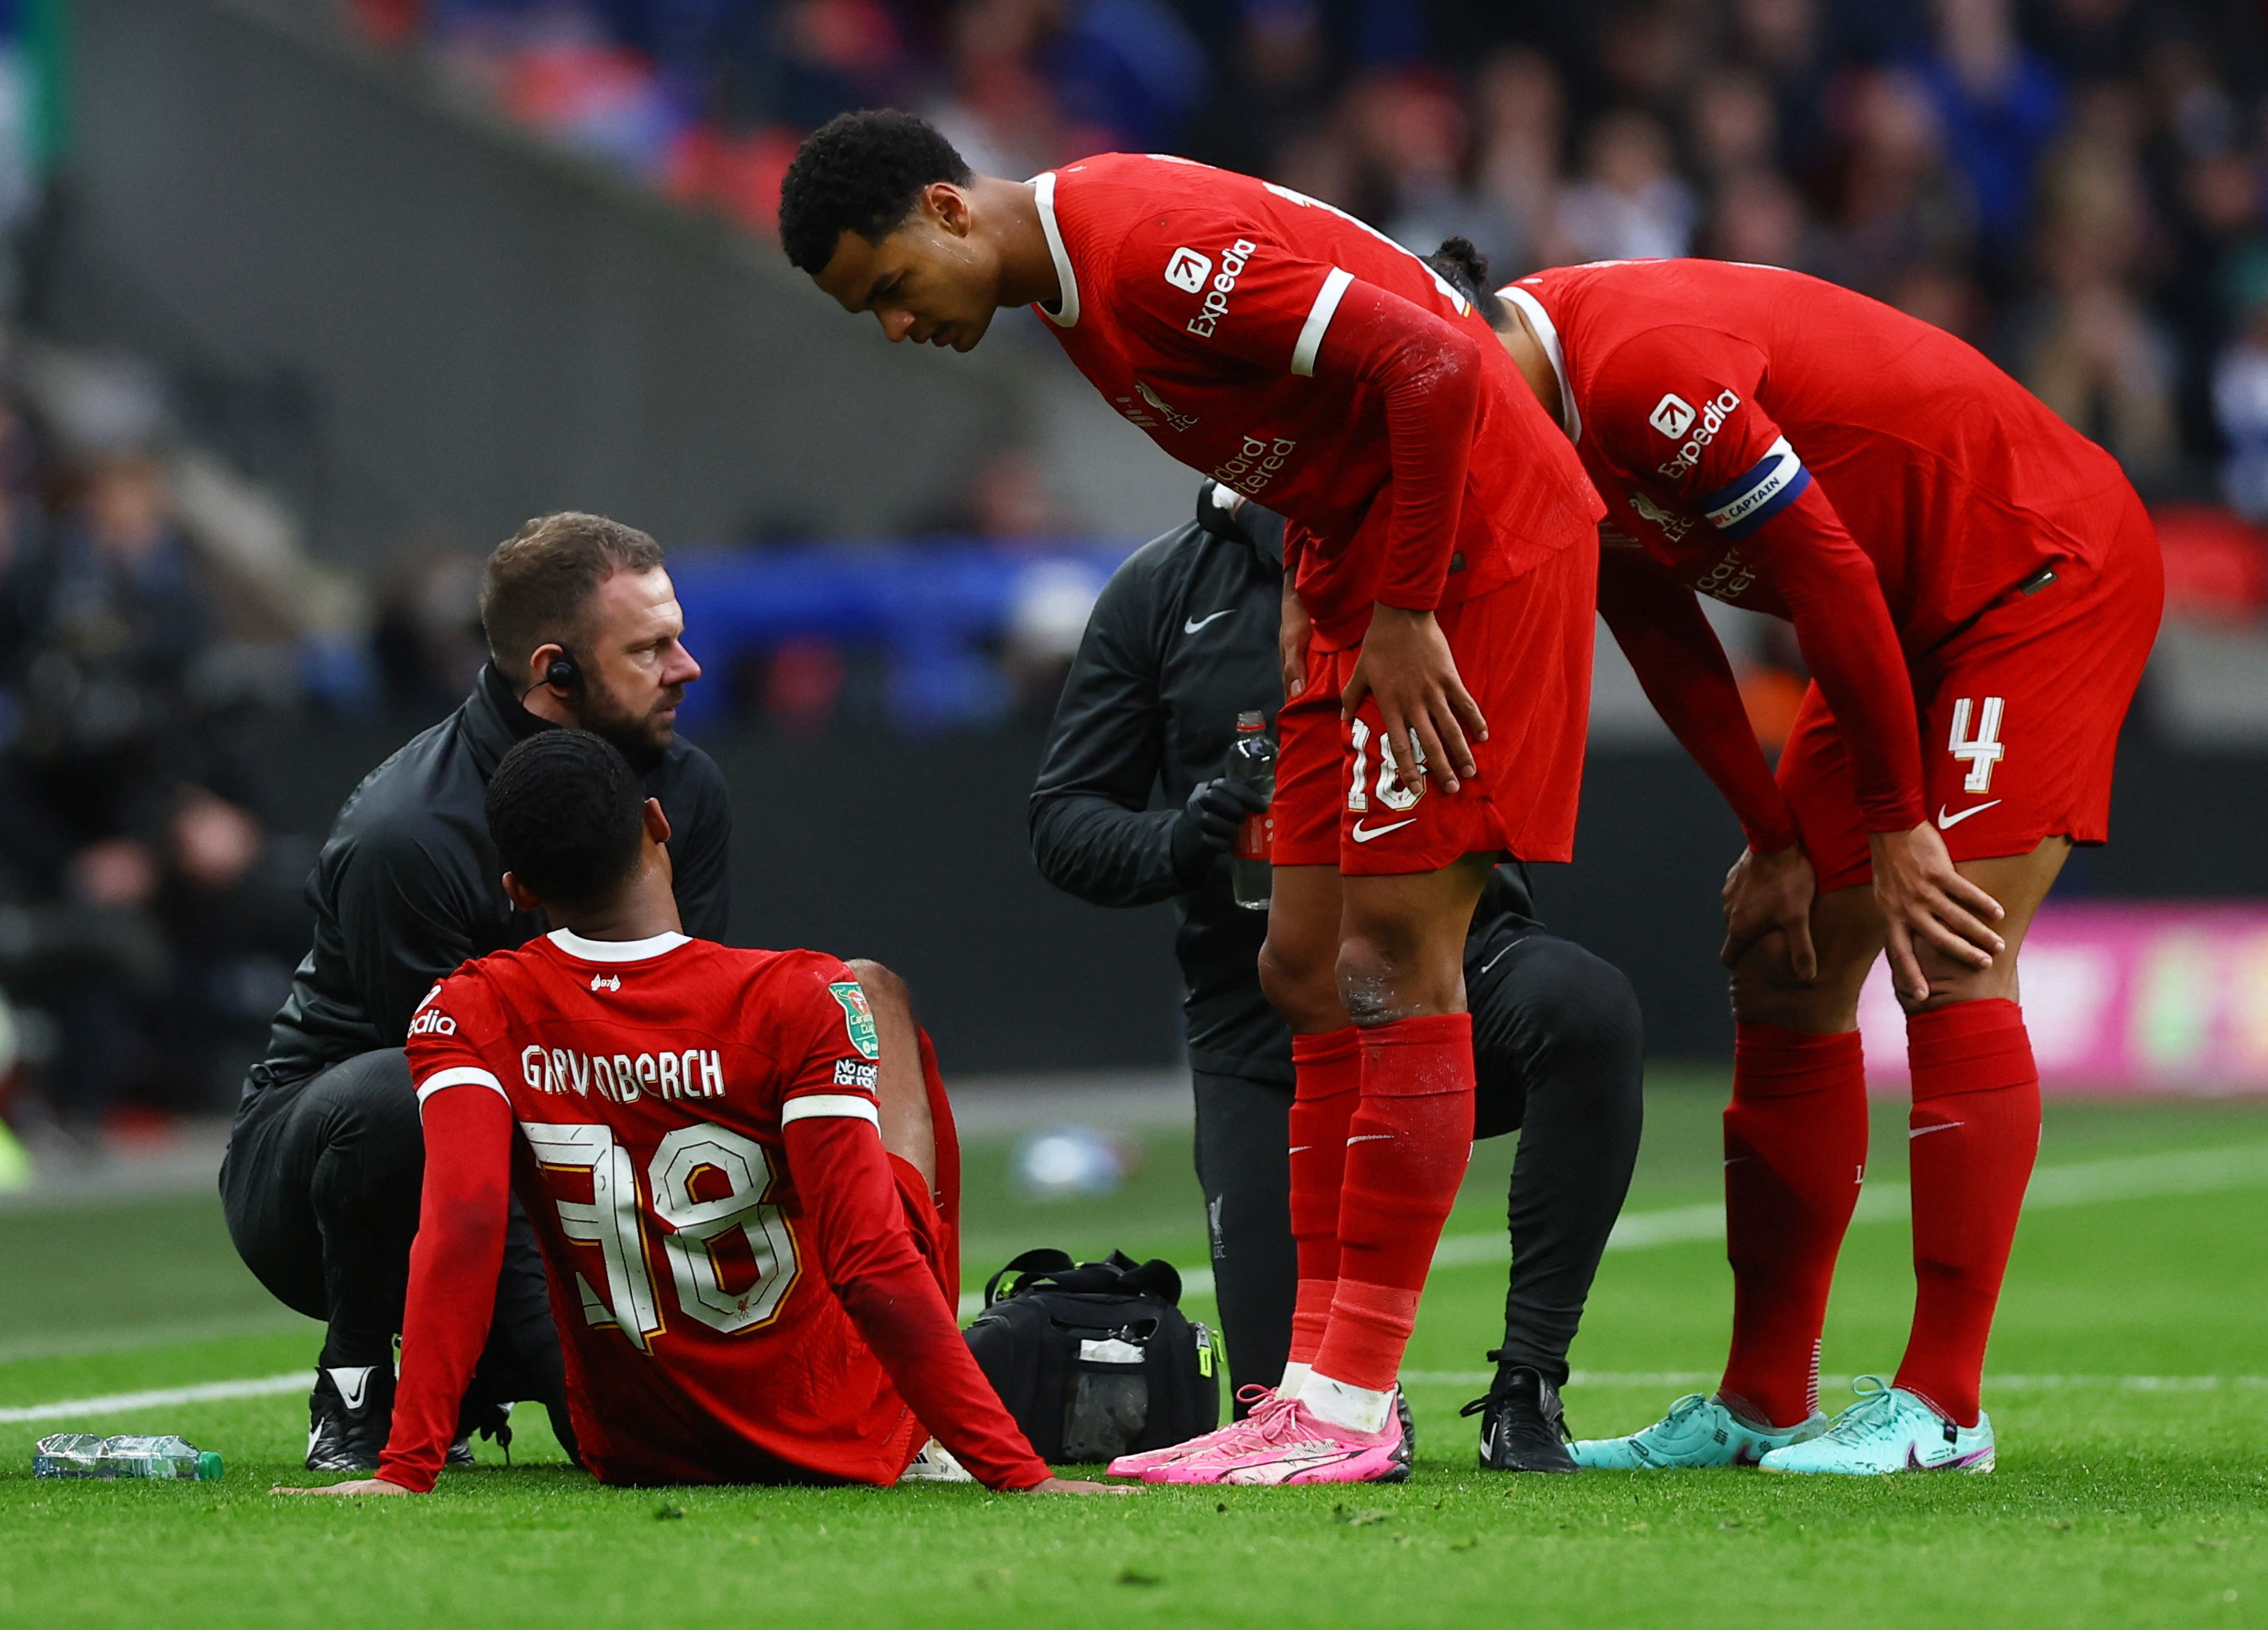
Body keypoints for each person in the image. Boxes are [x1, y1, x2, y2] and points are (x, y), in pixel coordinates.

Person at [779, 111, 1601, 1486]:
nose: (896, 327)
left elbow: (1436, 359)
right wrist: (1320, 592)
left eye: (890, 289)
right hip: (1355, 575)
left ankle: (1348, 1401)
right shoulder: (1073, 290)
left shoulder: (1145, 246)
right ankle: (1310, 1388)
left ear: (947, 208)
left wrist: (1396, 604)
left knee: (1399, 961)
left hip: (1469, 560)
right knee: (1301, 965)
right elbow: (1315, 421)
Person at [1434, 245, 2163, 1475]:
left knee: (1942, 947)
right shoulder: (1538, 432)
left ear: (1469, 338)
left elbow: (1819, 567)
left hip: (2032, 574)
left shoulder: (1631, 368)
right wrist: (1769, 835)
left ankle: (1944, 1406)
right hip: (1893, 618)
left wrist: (1892, 821)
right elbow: (1657, 624)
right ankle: (1763, 1395)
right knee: (1782, 968)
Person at [275, 730, 1119, 1498]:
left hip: (641, 1445)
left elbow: (459, 1226)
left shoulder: (469, 1008)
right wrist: (1017, 1474)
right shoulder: (799, 992)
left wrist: (405, 1469)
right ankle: (935, 1426)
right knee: (874, 989)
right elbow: (865, 1255)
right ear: (656, 822)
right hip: (842, 1432)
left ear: (518, 887)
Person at [1031, 480, 1645, 1473]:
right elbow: (1062, 824)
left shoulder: (1446, 557)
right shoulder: (1157, 589)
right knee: (1278, 1387)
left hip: (1446, 966)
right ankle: (1356, 1403)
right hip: (1256, 1016)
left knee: (1583, 1006)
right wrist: (1188, 832)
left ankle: (1527, 1387)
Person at [220, 512, 732, 1471]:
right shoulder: (406, 835)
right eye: (651, 647)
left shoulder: (684, 791)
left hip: (582, 1150)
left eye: (677, 636)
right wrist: (572, 1364)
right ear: (556, 671)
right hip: (342, 1168)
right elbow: (468, 1123)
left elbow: (686, 1036)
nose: (688, 667)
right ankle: (359, 1381)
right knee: (400, 1097)